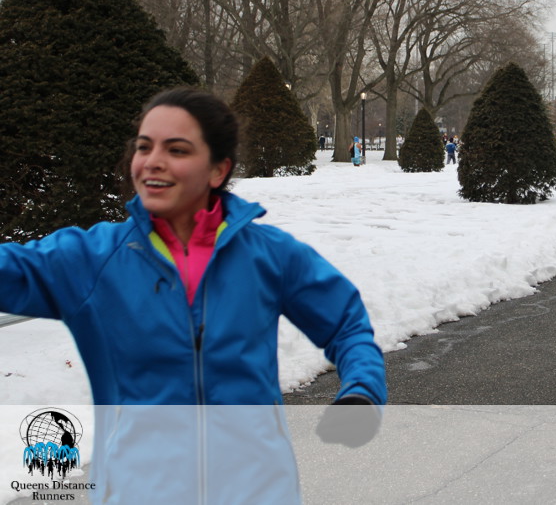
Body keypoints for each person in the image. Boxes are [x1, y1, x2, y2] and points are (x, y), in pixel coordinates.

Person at [0, 87, 386, 502]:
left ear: (218, 170)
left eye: (177, 149)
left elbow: (346, 325)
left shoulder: (270, 256)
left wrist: (362, 390)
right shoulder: (90, 259)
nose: (152, 161)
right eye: (144, 147)